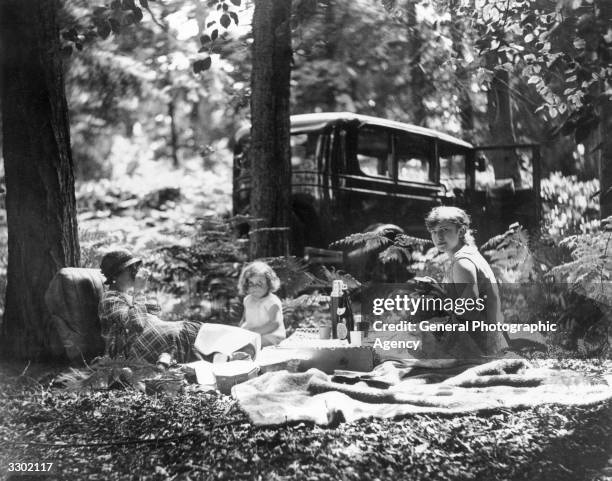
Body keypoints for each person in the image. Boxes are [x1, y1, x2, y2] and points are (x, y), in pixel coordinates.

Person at [424, 206, 508, 356]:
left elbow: (470, 309)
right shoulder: (469, 253)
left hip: (479, 347)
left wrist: (438, 306)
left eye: (444, 230)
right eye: (434, 232)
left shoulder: (462, 262)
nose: (438, 237)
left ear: (461, 231)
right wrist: (437, 291)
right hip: (488, 340)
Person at [98, 249, 200, 364]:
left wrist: (138, 293)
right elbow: (137, 325)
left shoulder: (127, 296)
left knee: (210, 333)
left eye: (135, 266)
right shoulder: (110, 298)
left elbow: (152, 313)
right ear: (115, 275)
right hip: (142, 350)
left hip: (167, 338)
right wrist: (139, 291)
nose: (135, 271)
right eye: (130, 268)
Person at [237, 261, 286, 347]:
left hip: (272, 336)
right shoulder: (248, 300)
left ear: (269, 284)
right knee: (234, 342)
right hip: (253, 335)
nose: (255, 287)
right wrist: (240, 331)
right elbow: (244, 319)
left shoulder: (272, 301)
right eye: (251, 283)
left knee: (247, 345)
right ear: (245, 285)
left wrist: (253, 332)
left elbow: (274, 324)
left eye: (260, 283)